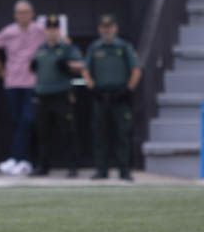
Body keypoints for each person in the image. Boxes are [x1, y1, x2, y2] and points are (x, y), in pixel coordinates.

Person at [0, 0, 47, 176]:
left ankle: (19, 158)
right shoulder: (9, 31)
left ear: (32, 13)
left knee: (27, 121)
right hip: (12, 82)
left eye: (26, 12)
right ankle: (21, 159)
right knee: (17, 121)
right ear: (15, 15)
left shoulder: (40, 29)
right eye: (20, 12)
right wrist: (0, 69)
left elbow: (61, 37)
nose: (23, 16)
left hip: (32, 83)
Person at [80, 14, 140, 181]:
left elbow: (136, 69)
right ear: (100, 29)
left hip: (119, 96)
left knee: (122, 133)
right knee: (100, 134)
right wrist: (92, 87)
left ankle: (124, 170)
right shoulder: (95, 48)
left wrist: (128, 89)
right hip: (101, 96)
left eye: (110, 27)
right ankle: (101, 169)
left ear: (115, 28)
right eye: (104, 27)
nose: (107, 30)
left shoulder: (123, 47)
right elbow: (85, 69)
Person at [31, 14, 82, 177]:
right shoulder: (41, 49)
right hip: (43, 95)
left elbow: (81, 65)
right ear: (45, 31)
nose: (52, 32)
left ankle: (72, 166)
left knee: (67, 132)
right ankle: (43, 166)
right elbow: (34, 68)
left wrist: (67, 65)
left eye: (55, 29)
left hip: (61, 95)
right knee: (43, 133)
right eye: (49, 29)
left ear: (59, 31)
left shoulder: (67, 48)